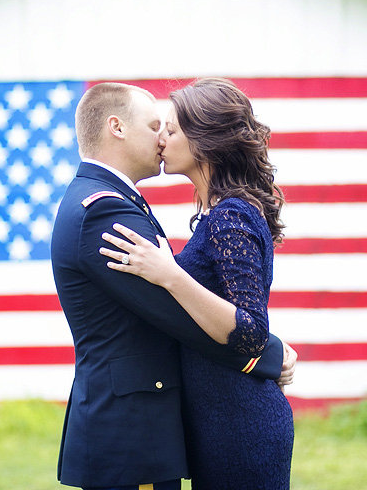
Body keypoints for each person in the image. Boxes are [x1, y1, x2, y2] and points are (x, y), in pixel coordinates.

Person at [50, 82, 296, 490]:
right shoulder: (103, 208)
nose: (162, 138)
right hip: (132, 433)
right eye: (154, 126)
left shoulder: (122, 202)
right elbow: (173, 312)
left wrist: (256, 341)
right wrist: (268, 353)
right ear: (117, 128)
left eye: (171, 129)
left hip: (215, 420)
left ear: (204, 141)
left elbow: (191, 303)